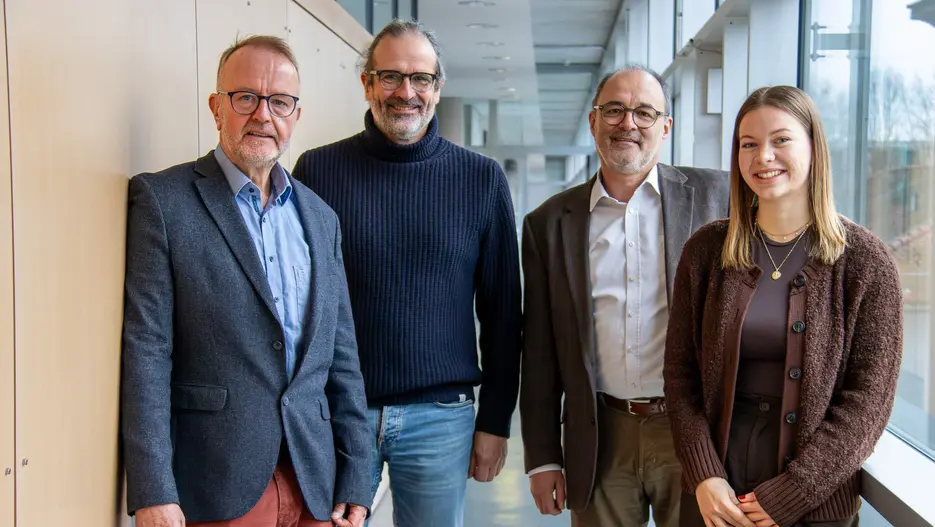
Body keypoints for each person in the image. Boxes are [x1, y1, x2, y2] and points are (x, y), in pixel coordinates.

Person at [121, 35, 371, 527]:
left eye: (279, 102)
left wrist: (358, 473)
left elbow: (342, 358)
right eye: (246, 98)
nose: (263, 115)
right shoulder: (164, 202)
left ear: (295, 116)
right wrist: (152, 488)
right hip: (215, 483)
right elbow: (147, 351)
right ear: (217, 108)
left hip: (315, 483)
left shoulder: (321, 218)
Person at [291, 19, 522, 527]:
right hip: (338, 414)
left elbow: (505, 315)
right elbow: (297, 301)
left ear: (438, 90)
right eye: (391, 77)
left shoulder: (481, 180)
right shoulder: (317, 172)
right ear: (368, 83)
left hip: (443, 419)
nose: (406, 93)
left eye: (421, 79)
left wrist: (496, 422)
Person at [664, 85, 904, 527]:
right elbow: (681, 375)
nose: (763, 157)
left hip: (813, 493)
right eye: (748, 144)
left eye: (781, 140)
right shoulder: (706, 250)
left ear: (814, 147)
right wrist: (704, 476)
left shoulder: (867, 262)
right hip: (717, 490)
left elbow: (869, 401)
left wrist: (796, 492)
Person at [519, 65, 729, 527]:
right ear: (593, 121)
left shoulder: (721, 199)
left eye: (644, 112)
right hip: (599, 435)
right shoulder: (548, 224)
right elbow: (538, 351)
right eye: (613, 110)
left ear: (666, 127)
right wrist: (542, 458)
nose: (627, 123)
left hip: (694, 432)